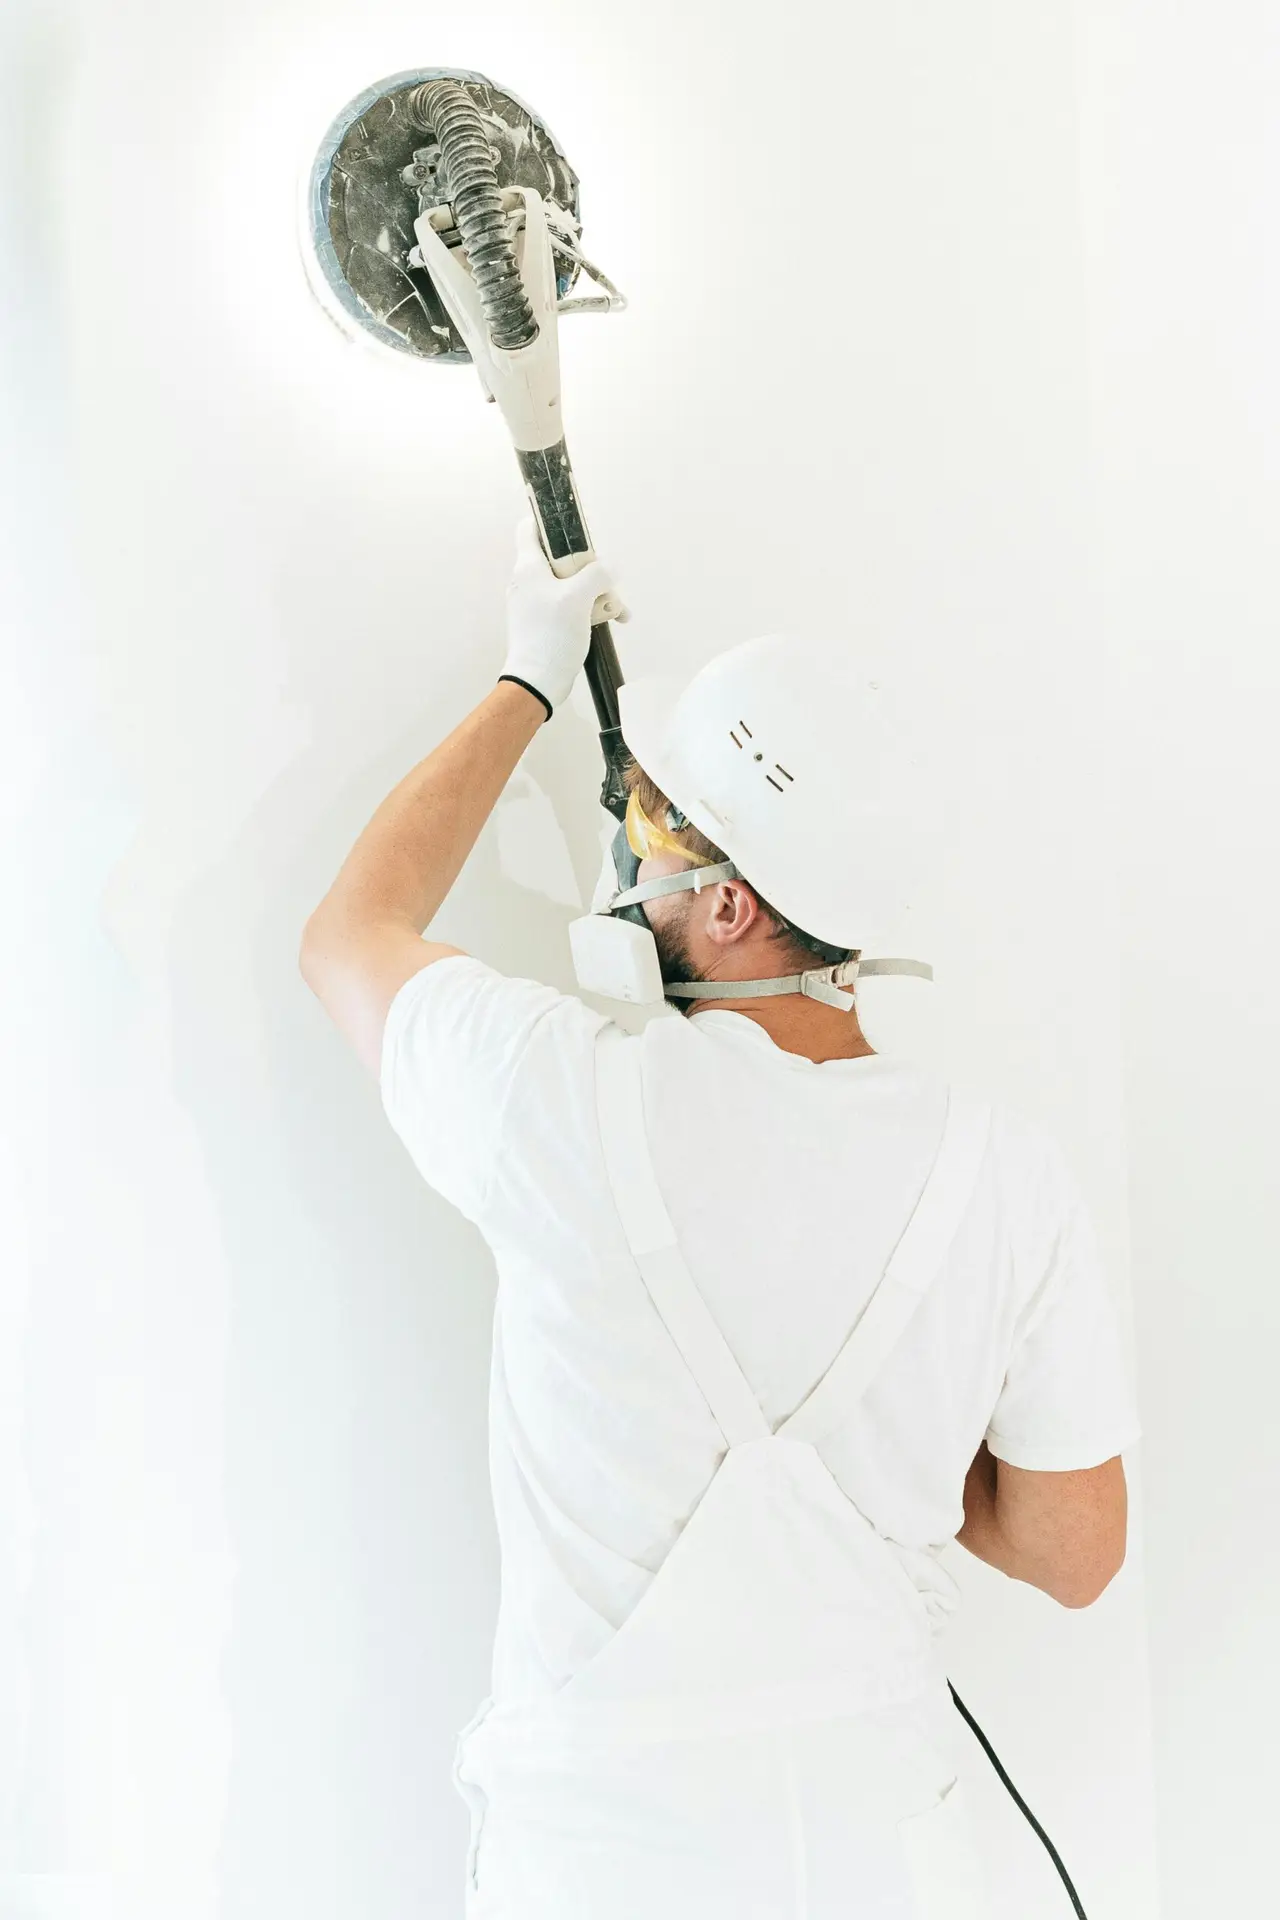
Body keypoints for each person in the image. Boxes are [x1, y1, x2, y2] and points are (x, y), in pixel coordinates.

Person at [300, 517, 1142, 1919]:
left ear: (735, 907)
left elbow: (348, 938)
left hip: (607, 1868)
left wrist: (526, 681)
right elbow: (1077, 1552)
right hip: (890, 1858)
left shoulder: (554, 1094)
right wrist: (902, 1448)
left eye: (650, 837)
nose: (626, 871)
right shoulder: (1007, 1178)